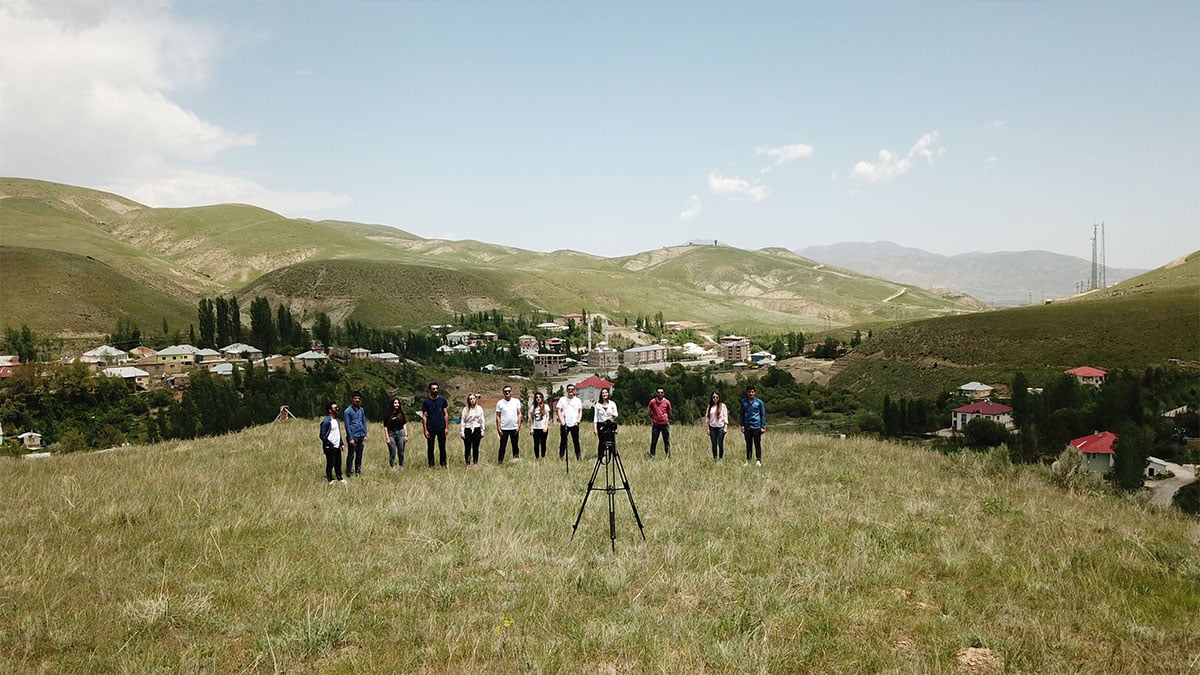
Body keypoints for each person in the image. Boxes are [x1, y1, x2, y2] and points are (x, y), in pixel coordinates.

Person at [422, 382, 449, 467]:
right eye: (433, 389)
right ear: (430, 390)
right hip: (431, 427)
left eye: (437, 388)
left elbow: (446, 414)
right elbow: (424, 416)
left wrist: (446, 427)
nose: (435, 390)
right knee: (430, 447)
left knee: (442, 447)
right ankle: (431, 464)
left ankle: (443, 464)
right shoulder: (426, 402)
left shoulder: (442, 400)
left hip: (441, 426)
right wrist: (425, 429)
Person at [319, 401, 347, 484]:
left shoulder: (337, 420)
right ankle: (330, 478)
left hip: (337, 445)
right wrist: (329, 443)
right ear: (330, 410)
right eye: (335, 408)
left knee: (338, 463)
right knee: (330, 463)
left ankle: (339, 477)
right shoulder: (326, 421)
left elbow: (338, 433)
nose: (337, 409)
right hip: (329, 446)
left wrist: (341, 444)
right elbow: (322, 435)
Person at [556, 383, 583, 461]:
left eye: (572, 389)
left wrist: (578, 421)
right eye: (569, 389)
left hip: (574, 423)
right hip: (565, 423)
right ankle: (561, 457)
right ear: (566, 391)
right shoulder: (562, 399)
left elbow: (580, 411)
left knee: (576, 441)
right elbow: (559, 410)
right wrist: (562, 421)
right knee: (563, 441)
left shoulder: (578, 400)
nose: (570, 391)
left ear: (574, 391)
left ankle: (578, 457)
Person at [739, 385, 766, 466]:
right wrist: (742, 425)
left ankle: (758, 460)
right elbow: (741, 414)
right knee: (748, 444)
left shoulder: (759, 402)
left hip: (757, 426)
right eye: (749, 392)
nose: (751, 393)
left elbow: (763, 414)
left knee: (757, 444)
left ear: (754, 392)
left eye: (752, 392)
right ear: (747, 393)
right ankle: (748, 460)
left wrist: (762, 426)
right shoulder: (743, 402)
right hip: (747, 426)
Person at [495, 385, 522, 463]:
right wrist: (498, 428)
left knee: (515, 445)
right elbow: (498, 416)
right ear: (503, 392)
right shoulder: (500, 403)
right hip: (504, 428)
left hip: (514, 427)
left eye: (509, 391)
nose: (507, 392)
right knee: (502, 446)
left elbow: (519, 414)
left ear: (511, 392)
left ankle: (516, 460)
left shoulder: (516, 401)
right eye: (505, 391)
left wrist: (518, 425)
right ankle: (500, 462)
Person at [344, 390, 368, 476]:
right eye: (355, 398)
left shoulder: (361, 410)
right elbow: (347, 425)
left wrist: (365, 434)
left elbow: (363, 421)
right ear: (352, 399)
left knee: (359, 455)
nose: (357, 400)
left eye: (358, 398)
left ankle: (358, 470)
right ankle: (349, 471)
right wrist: (350, 438)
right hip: (353, 436)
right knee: (351, 455)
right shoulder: (348, 411)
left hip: (361, 435)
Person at [459, 392, 486, 467]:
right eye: (470, 399)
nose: (472, 400)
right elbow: (463, 421)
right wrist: (462, 432)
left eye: (474, 398)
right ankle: (468, 464)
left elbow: (482, 420)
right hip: (467, 429)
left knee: (475, 447)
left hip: (477, 429)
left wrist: (482, 430)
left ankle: (475, 463)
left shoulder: (479, 409)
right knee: (467, 447)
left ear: (476, 399)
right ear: (468, 400)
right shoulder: (465, 409)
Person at [592, 387, 619, 459]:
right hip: (601, 424)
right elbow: (595, 417)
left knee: (611, 440)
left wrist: (612, 414)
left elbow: (616, 414)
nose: (604, 394)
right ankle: (600, 456)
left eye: (606, 393)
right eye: (603, 393)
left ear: (608, 394)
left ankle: (612, 455)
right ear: (601, 394)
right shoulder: (598, 405)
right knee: (602, 441)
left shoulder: (612, 403)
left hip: (610, 424)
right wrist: (595, 428)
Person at [647, 387, 672, 459]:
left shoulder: (667, 402)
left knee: (666, 441)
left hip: (665, 424)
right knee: (654, 441)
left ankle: (668, 456)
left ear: (664, 393)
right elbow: (649, 411)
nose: (660, 394)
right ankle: (652, 456)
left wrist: (665, 418)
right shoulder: (652, 402)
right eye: (658, 392)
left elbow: (669, 412)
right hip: (656, 425)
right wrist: (654, 417)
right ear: (656, 393)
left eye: (661, 392)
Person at [384, 397, 408, 469]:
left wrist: (406, 435)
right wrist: (387, 438)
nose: (397, 404)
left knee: (401, 452)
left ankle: (401, 466)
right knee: (392, 452)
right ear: (392, 404)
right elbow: (385, 427)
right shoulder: (388, 414)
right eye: (395, 403)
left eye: (398, 403)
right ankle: (392, 467)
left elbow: (404, 424)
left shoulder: (401, 414)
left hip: (400, 433)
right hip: (391, 434)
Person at [706, 391, 729, 461]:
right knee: (714, 444)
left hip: (720, 427)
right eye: (713, 397)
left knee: (720, 443)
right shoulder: (710, 406)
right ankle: (715, 458)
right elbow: (707, 418)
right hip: (712, 427)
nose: (715, 398)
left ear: (719, 398)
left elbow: (725, 417)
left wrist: (725, 427)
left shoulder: (723, 406)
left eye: (717, 397)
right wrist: (707, 428)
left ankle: (721, 458)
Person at [529, 391, 550, 459]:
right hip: (535, 428)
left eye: (540, 397)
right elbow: (531, 418)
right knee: (536, 444)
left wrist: (546, 427)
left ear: (542, 398)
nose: (538, 398)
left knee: (543, 443)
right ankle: (537, 457)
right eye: (537, 397)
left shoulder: (546, 406)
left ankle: (543, 456)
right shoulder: (533, 407)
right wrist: (531, 428)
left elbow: (547, 417)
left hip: (543, 428)